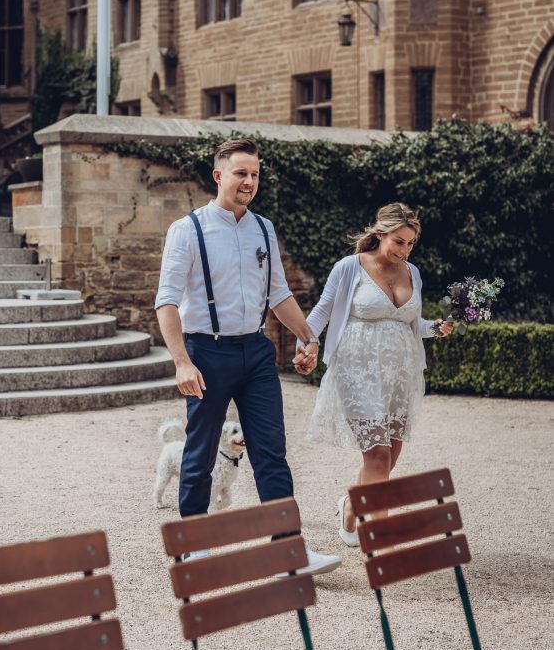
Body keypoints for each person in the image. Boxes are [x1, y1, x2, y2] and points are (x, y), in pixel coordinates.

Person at [155, 137, 341, 575]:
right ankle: (193, 545)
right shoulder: (188, 229)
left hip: (255, 352)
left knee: (271, 451)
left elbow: (279, 293)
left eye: (255, 174)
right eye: (241, 173)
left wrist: (308, 337)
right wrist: (182, 361)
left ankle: (288, 549)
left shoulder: (263, 228)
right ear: (218, 175)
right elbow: (167, 301)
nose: (249, 181)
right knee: (200, 450)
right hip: (206, 351)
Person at [301, 202, 454, 547]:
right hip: (357, 369)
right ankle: (381, 543)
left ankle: (350, 507)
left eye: (411, 243)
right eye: (399, 241)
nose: (405, 250)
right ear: (380, 233)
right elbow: (322, 311)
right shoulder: (349, 267)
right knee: (378, 456)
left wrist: (435, 328)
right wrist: (306, 343)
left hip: (400, 374)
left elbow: (410, 322)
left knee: (388, 459)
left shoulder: (413, 272)